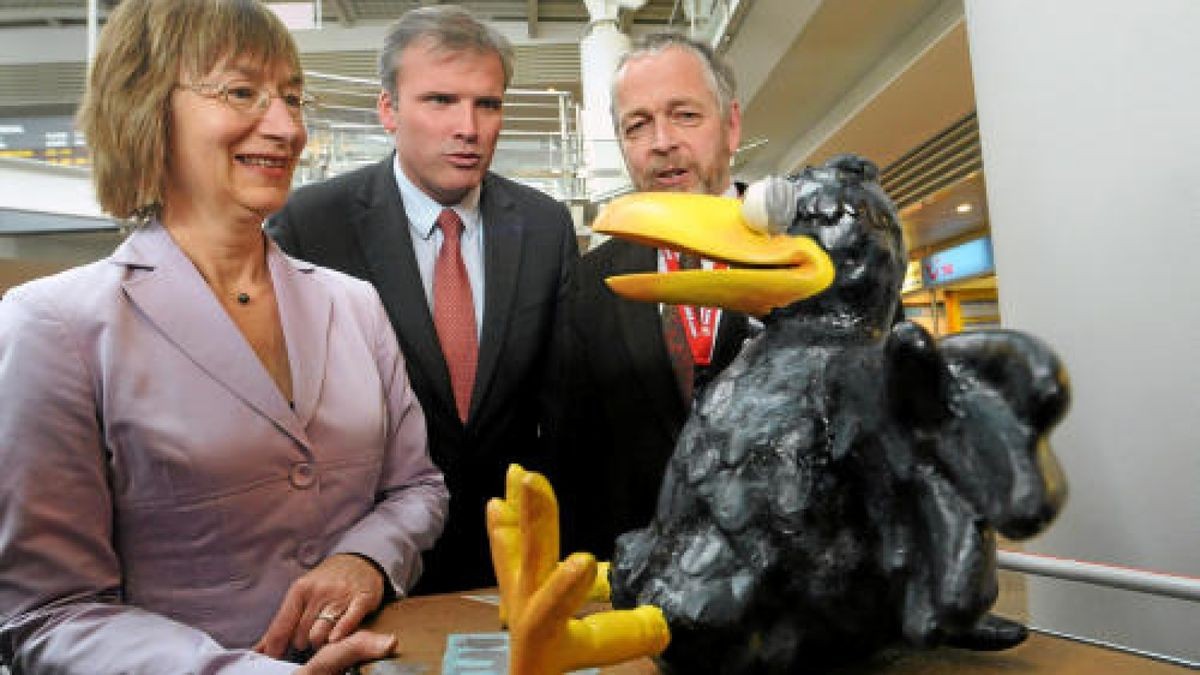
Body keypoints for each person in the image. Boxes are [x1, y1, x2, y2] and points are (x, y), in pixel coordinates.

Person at [0, 1, 448, 672]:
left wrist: (365, 558)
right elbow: (49, 612)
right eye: (242, 91)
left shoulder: (353, 304)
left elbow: (417, 486)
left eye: (293, 98)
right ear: (146, 104)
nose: (286, 126)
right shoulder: (56, 326)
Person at [266, 6, 578, 594]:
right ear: (388, 110)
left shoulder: (544, 226)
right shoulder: (312, 225)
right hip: (365, 565)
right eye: (440, 100)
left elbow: (561, 412)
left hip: (510, 565)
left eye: (488, 104)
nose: (469, 126)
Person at [558, 34, 754, 559]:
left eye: (685, 115)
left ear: (731, 125)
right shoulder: (589, 284)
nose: (661, 141)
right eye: (637, 125)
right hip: (648, 583)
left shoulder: (814, 255)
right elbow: (574, 461)